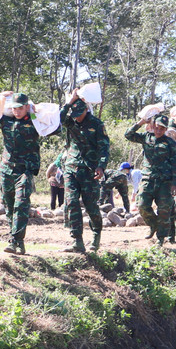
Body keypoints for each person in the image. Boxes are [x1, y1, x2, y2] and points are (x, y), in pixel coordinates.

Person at [59, 91, 110, 253]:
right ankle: (77, 240)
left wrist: (101, 167)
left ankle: (96, 236)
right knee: (71, 202)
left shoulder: (96, 124)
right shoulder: (70, 121)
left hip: (89, 171)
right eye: (73, 114)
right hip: (71, 168)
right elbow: (58, 119)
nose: (76, 117)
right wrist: (69, 103)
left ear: (86, 110)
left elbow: (104, 148)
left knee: (90, 205)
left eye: (79, 114)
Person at [0, 92, 40, 255]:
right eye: (14, 108)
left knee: (21, 203)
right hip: (7, 169)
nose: (17, 111)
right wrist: (0, 97)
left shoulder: (36, 122)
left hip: (25, 169)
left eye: (20, 108)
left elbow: (56, 123)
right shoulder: (5, 121)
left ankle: (15, 241)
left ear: (27, 107)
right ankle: (16, 239)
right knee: (9, 205)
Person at [126, 114, 176, 245]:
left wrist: (175, 184)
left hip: (165, 182)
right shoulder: (146, 137)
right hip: (148, 179)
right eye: (157, 128)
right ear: (153, 126)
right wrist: (140, 122)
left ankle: (161, 238)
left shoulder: (171, 143)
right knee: (142, 205)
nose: (158, 131)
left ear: (165, 129)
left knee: (164, 210)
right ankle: (153, 225)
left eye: (162, 129)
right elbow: (128, 135)